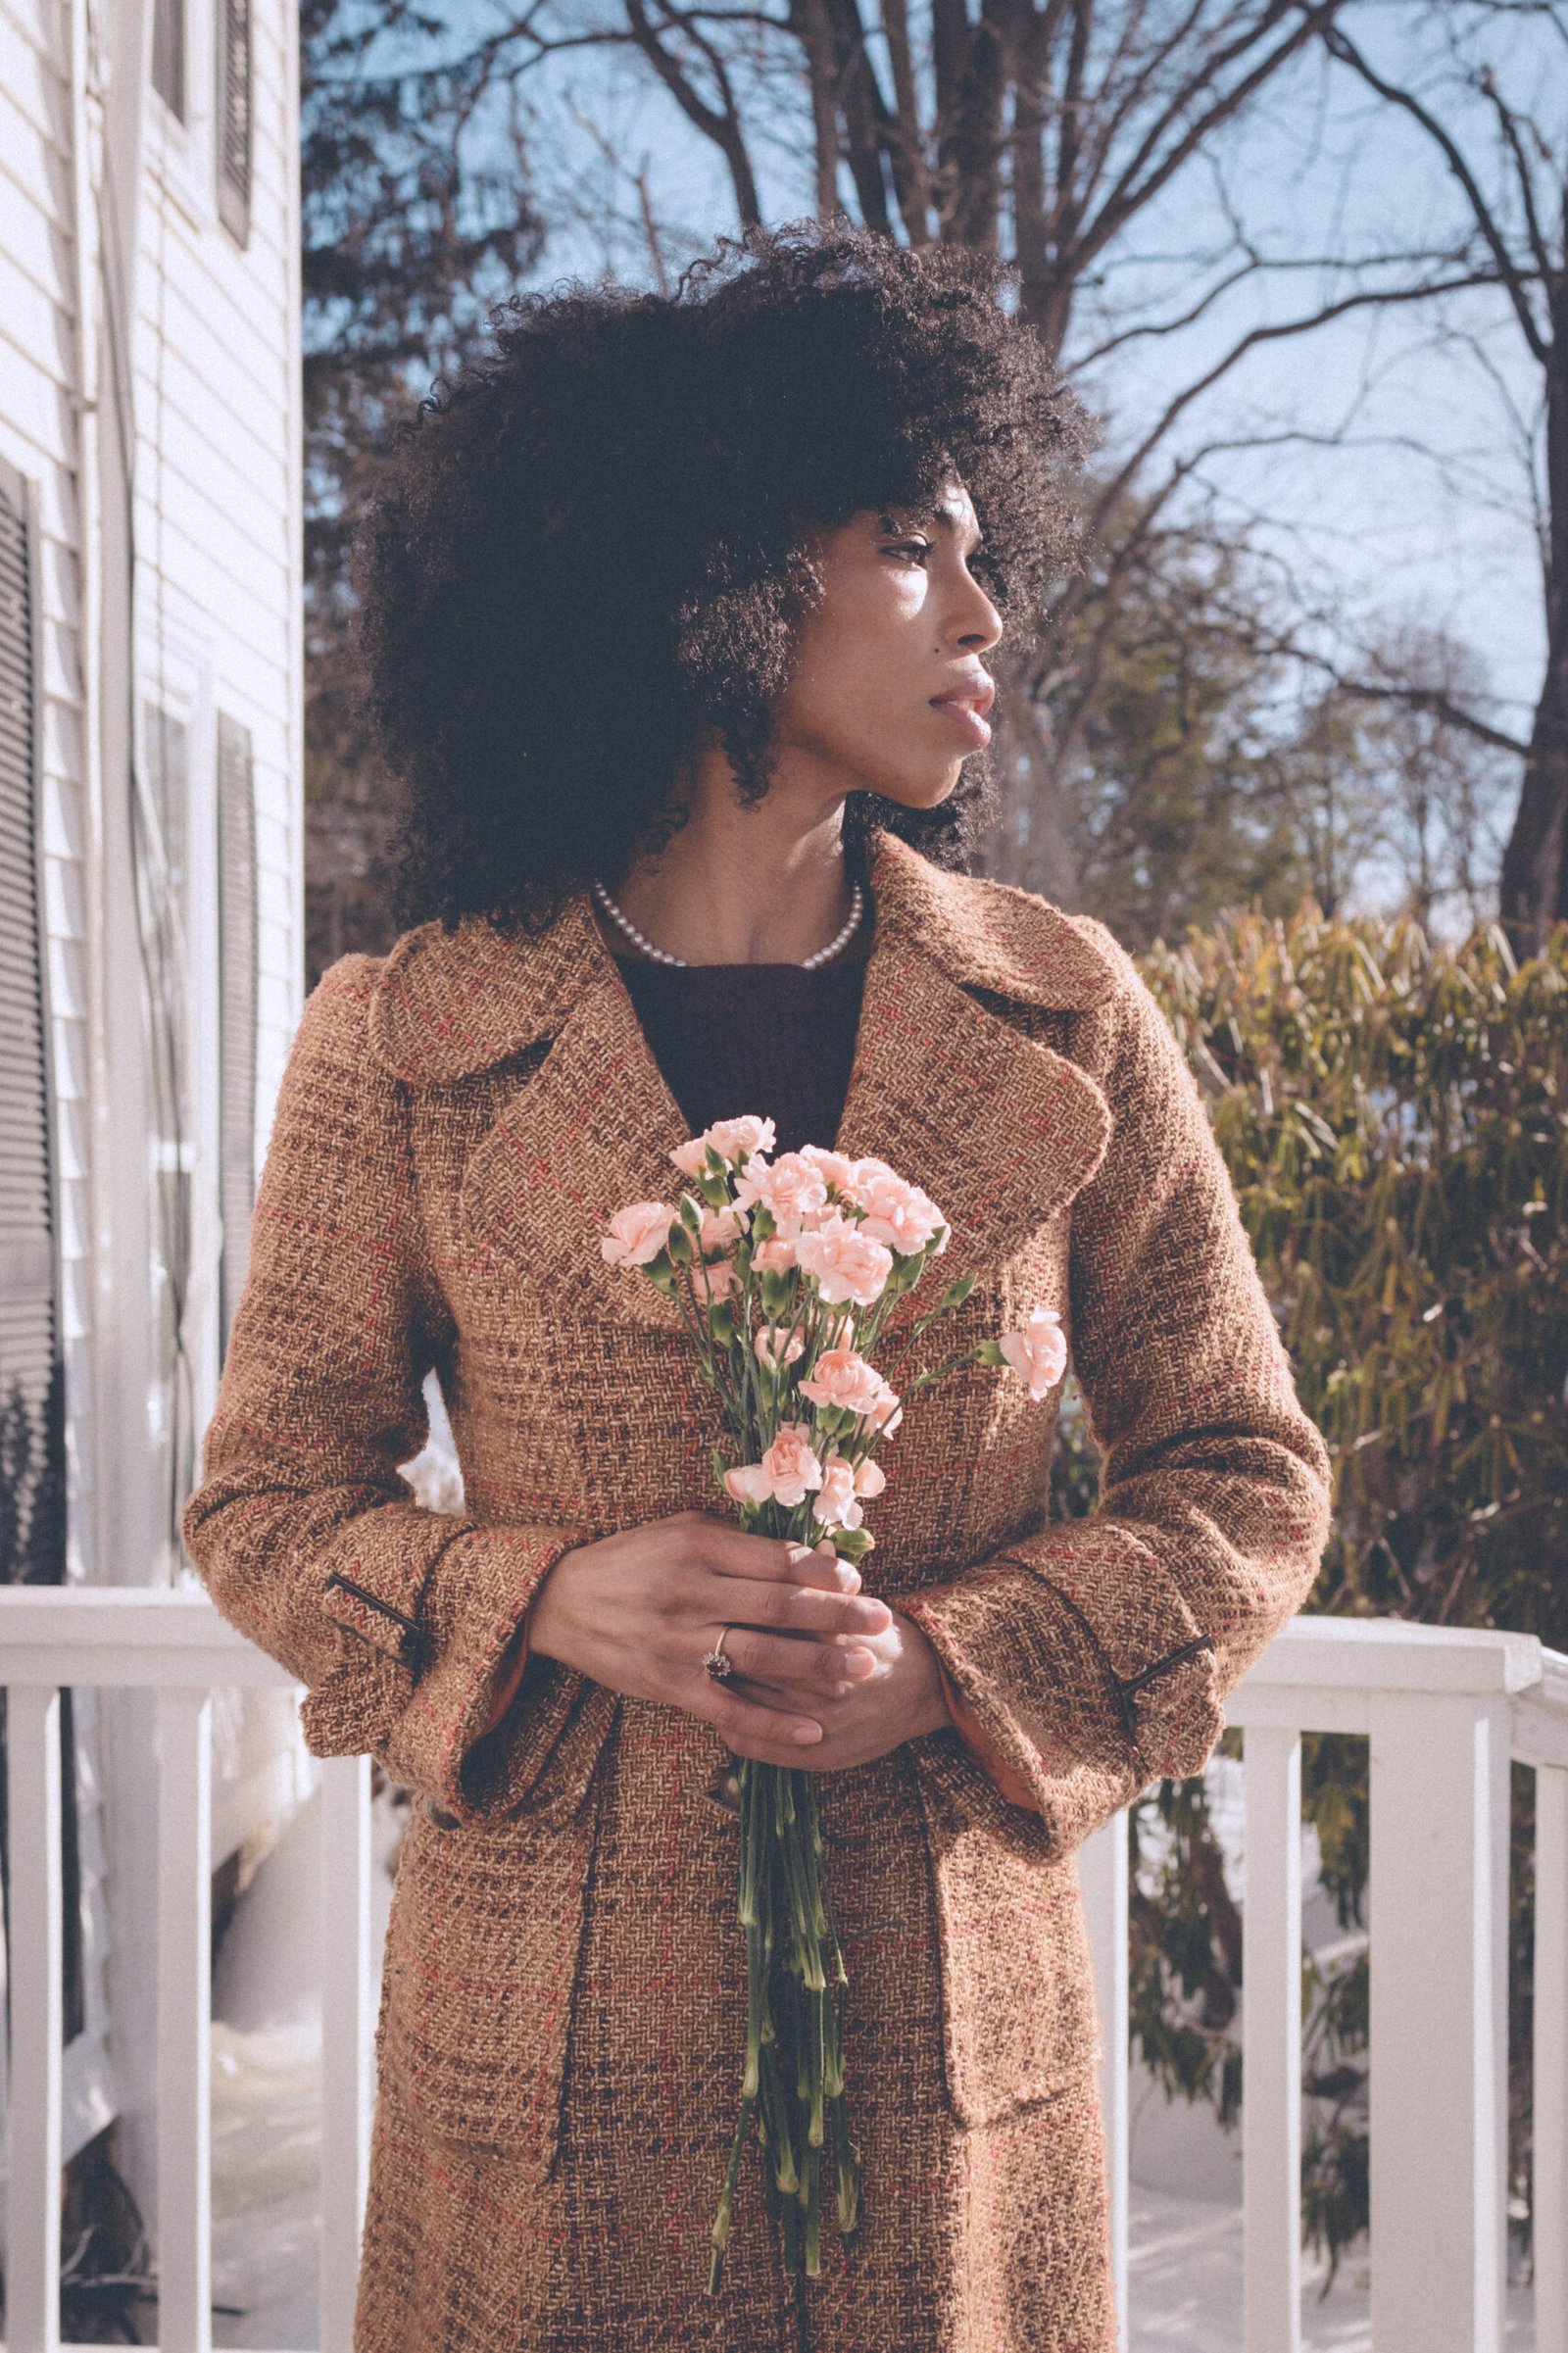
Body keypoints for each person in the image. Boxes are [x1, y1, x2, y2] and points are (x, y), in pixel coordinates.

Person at [182, 223, 1331, 2352]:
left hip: (946, 2088)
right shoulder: (408, 1030)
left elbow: (1242, 1473)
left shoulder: (1066, 1015)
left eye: (985, 550)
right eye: (909, 543)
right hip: (536, 2095)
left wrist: (959, 1662)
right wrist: (537, 1589)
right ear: (706, 564)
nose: (983, 612)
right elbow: (263, 1505)